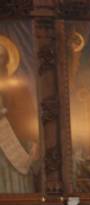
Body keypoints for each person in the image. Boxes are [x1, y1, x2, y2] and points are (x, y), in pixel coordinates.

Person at [0, 40, 40, 193]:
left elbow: (28, 118)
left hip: (17, 146)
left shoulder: (19, 88)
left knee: (16, 186)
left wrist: (34, 141)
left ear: (7, 61)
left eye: (0, 57)